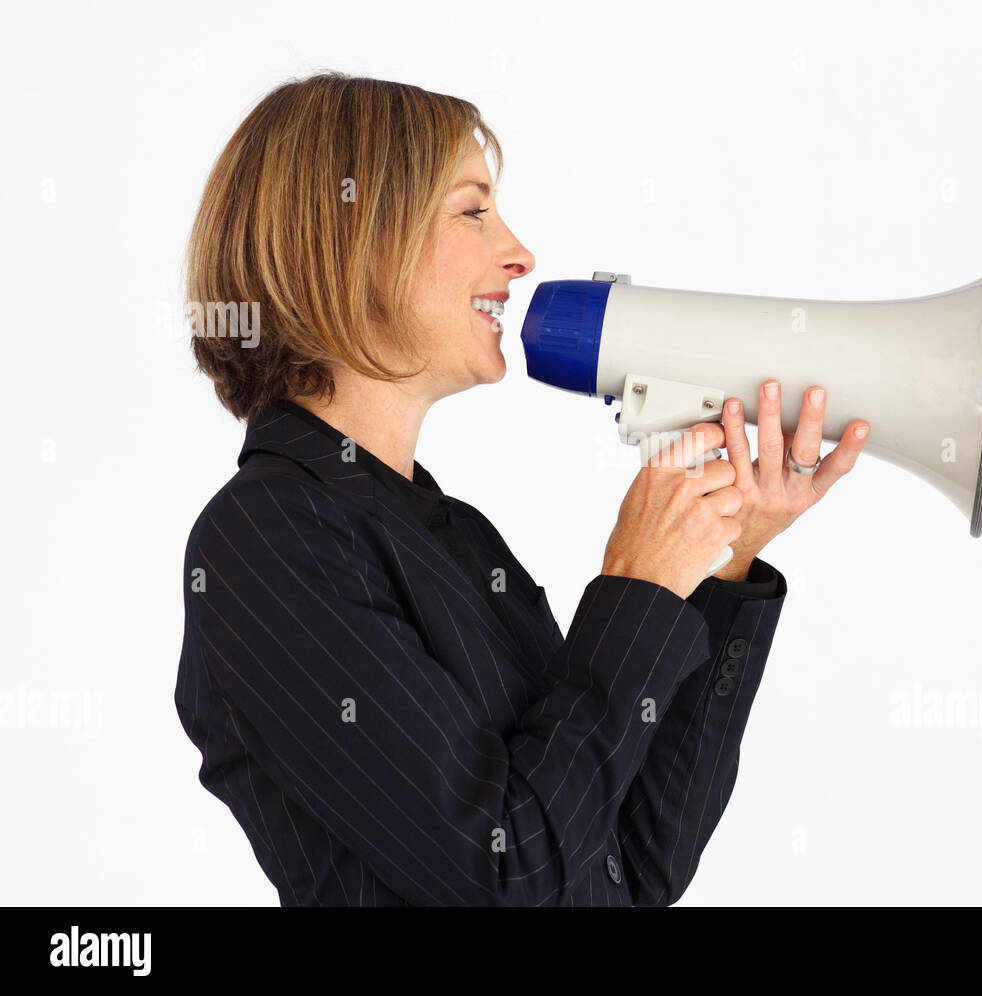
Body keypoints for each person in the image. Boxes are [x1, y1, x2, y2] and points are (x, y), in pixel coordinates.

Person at [174, 71, 872, 906]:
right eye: (472, 211)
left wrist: (728, 556)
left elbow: (633, 865)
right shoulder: (267, 539)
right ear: (355, 240)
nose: (520, 254)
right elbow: (499, 869)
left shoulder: (454, 537)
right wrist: (637, 587)